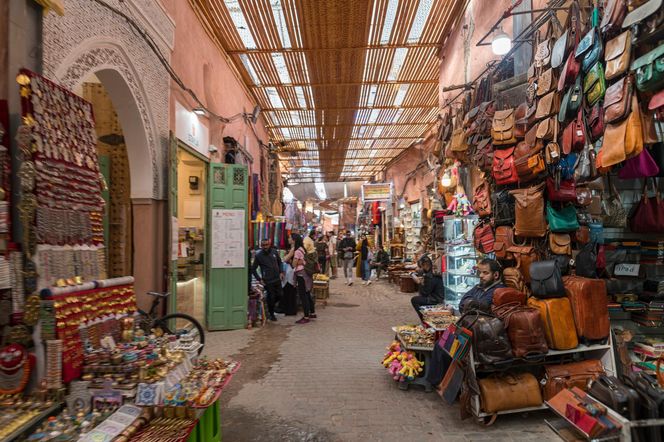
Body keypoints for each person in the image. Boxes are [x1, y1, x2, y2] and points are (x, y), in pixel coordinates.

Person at [250, 239, 284, 322]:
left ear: (269, 244)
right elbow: (253, 269)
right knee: (271, 297)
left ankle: (270, 306)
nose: (265, 247)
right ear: (261, 246)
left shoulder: (274, 252)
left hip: (277, 279)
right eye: (263, 245)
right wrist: (259, 279)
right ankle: (271, 314)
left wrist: (281, 272)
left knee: (280, 295)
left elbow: (280, 262)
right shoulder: (259, 256)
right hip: (268, 281)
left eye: (266, 245)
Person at [410, 255, 445, 321]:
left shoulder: (430, 276)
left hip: (435, 299)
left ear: (425, 265)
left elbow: (425, 292)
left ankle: (424, 318)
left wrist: (419, 283)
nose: (421, 268)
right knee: (418, 298)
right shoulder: (431, 272)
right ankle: (425, 316)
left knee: (414, 300)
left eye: (422, 266)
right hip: (436, 296)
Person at [292, 234, 314, 324]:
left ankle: (306, 316)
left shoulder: (297, 251)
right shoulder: (302, 249)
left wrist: (294, 261)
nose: (289, 239)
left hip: (301, 275)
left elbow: (294, 264)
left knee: (303, 295)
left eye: (290, 238)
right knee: (307, 293)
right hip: (306, 274)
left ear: (294, 240)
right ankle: (312, 312)